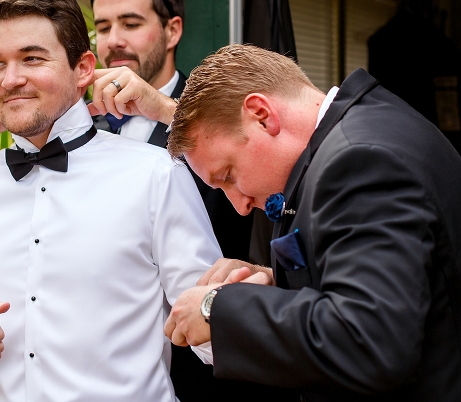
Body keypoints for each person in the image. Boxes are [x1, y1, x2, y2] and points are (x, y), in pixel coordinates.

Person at [0, 0, 258, 400]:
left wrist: (241, 309)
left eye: (31, 58)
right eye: (102, 26)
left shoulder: (160, 166)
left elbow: (252, 163)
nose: (114, 40)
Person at [163, 44, 461, 401]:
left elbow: (369, 339)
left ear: (261, 115)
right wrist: (273, 285)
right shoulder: (370, 128)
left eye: (228, 175)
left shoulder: (359, 162)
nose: (240, 205)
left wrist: (219, 308)